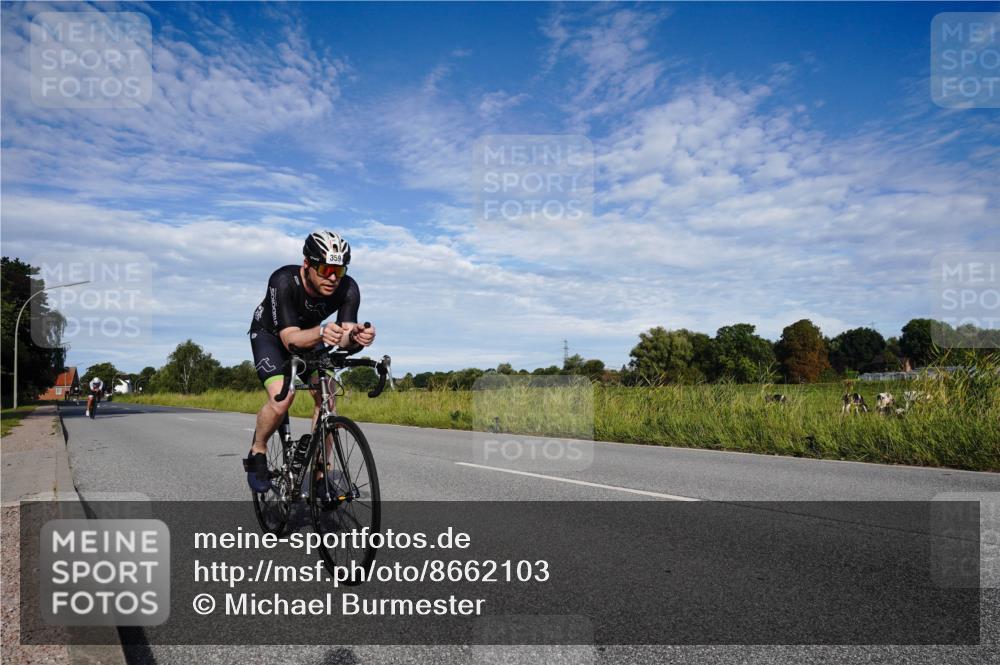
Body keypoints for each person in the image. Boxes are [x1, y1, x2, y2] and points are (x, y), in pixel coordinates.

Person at [244, 231, 376, 492]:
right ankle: (258, 448)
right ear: (307, 264)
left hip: (313, 335)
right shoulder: (283, 280)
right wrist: (323, 331)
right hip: (271, 337)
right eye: (326, 269)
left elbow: (346, 337)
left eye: (339, 270)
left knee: (328, 396)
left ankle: (319, 474)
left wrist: (358, 337)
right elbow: (290, 340)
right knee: (283, 399)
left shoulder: (348, 288)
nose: (332, 278)